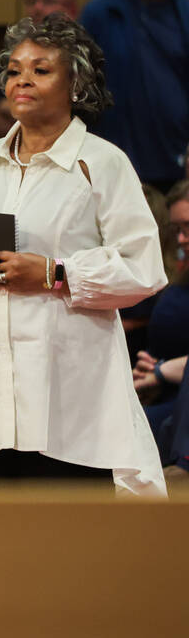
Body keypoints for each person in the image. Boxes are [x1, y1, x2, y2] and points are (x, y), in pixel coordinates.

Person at [0, 13, 167, 495]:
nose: (21, 78)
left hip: (71, 389)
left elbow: (143, 268)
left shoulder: (104, 163)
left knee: (72, 546)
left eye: (41, 69)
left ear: (76, 84)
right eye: (15, 68)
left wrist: (54, 272)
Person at [82, 0, 189, 192]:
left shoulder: (184, 15)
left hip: (173, 149)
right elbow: (80, 81)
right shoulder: (99, 13)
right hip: (114, 149)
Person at [0, 0, 78, 145]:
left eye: (48, 1)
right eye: (33, 1)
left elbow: (82, 115)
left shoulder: (83, 55)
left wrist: (15, 109)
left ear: (71, 10)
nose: (37, 8)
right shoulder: (15, 50)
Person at [132, 180, 189, 446]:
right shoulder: (182, 275)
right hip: (161, 392)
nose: (181, 239)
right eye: (177, 229)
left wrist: (161, 372)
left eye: (188, 228)